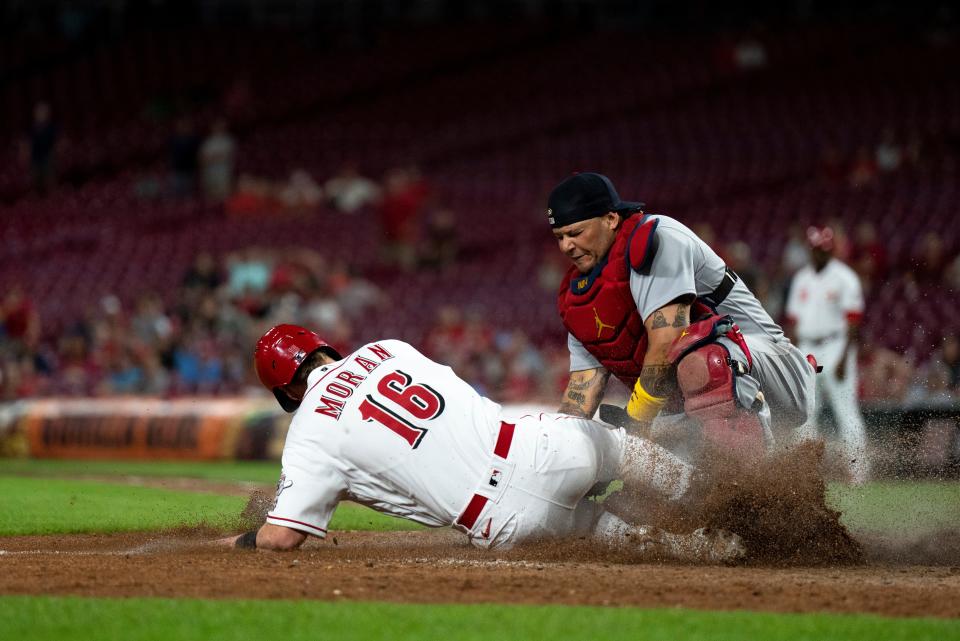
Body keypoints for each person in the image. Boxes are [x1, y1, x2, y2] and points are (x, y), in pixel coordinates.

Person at [217, 324, 745, 561]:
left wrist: (244, 541)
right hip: (537, 443)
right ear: (322, 348)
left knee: (608, 533)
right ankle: (740, 504)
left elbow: (281, 539)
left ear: (285, 390)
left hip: (505, 516)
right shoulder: (388, 347)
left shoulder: (308, 432)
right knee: (625, 450)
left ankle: (714, 551)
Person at [547, 172, 817, 460]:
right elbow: (582, 389)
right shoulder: (581, 298)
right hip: (690, 410)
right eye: (559, 237)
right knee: (639, 494)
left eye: (575, 233)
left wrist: (637, 420)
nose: (566, 246)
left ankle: (763, 477)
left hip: (776, 369)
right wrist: (561, 452)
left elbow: (668, 341)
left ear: (611, 219)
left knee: (703, 361)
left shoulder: (655, 238)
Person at [785, 226, 870, 484]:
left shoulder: (845, 277)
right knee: (806, 412)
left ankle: (859, 474)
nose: (819, 255)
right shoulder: (802, 278)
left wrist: (845, 358)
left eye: (823, 250)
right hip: (808, 348)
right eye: (815, 250)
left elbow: (854, 322)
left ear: (831, 250)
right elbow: (793, 321)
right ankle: (807, 473)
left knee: (845, 410)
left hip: (836, 346)